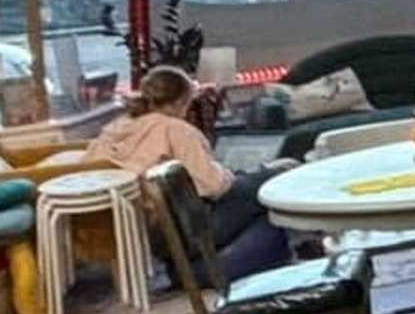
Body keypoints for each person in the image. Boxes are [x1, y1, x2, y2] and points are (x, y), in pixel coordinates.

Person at [94, 64, 291, 282]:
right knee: (274, 177)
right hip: (187, 227)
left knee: (263, 218)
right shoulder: (175, 129)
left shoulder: (115, 129)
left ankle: (190, 271)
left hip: (148, 234)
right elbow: (213, 187)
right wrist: (229, 173)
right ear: (180, 101)